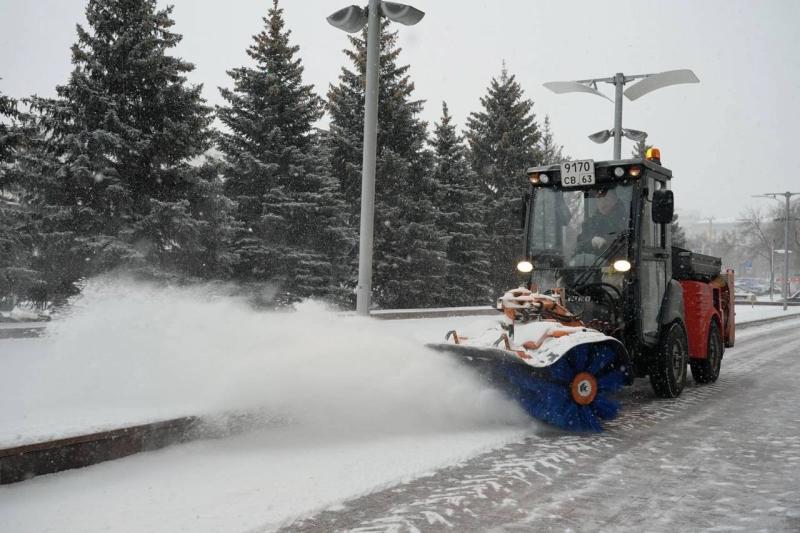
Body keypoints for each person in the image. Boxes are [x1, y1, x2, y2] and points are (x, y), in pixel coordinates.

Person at [576, 188, 628, 253]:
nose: (602, 204)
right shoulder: (589, 223)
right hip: (593, 262)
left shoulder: (627, 221)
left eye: (606, 199)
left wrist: (606, 241)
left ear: (615, 200)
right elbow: (578, 248)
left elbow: (627, 243)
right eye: (599, 199)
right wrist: (590, 243)